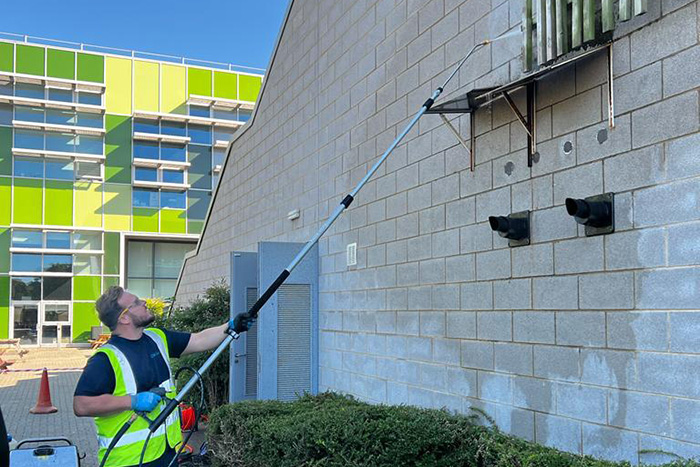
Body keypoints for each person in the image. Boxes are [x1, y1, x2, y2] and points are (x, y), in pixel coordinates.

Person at [73, 286, 254, 467]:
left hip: (167, 452)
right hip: (129, 460)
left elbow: (198, 340)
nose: (144, 302)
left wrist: (230, 326)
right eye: (136, 302)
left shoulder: (157, 338)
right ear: (124, 318)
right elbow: (81, 405)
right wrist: (132, 401)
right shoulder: (106, 359)